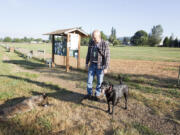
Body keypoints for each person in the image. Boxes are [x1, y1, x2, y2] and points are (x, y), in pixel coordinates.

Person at [85, 30, 110, 101]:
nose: (93, 39)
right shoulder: (91, 42)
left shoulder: (105, 44)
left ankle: (97, 95)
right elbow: (88, 54)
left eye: (94, 37)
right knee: (89, 81)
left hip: (101, 66)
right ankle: (89, 94)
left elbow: (107, 57)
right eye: (92, 37)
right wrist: (86, 63)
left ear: (99, 37)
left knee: (100, 82)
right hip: (92, 65)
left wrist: (106, 67)